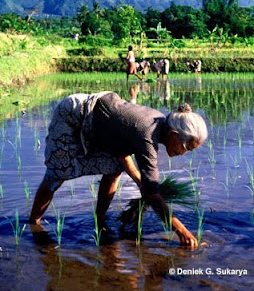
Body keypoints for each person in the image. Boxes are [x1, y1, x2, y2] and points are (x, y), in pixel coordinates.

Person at [30, 92, 208, 248]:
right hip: (75, 115)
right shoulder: (147, 132)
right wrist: (181, 231)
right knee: (57, 173)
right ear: (174, 135)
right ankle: (33, 223)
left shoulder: (159, 126)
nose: (184, 154)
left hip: (102, 126)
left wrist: (141, 182)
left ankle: (99, 221)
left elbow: (121, 151)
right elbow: (153, 195)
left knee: (114, 170)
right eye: (186, 148)